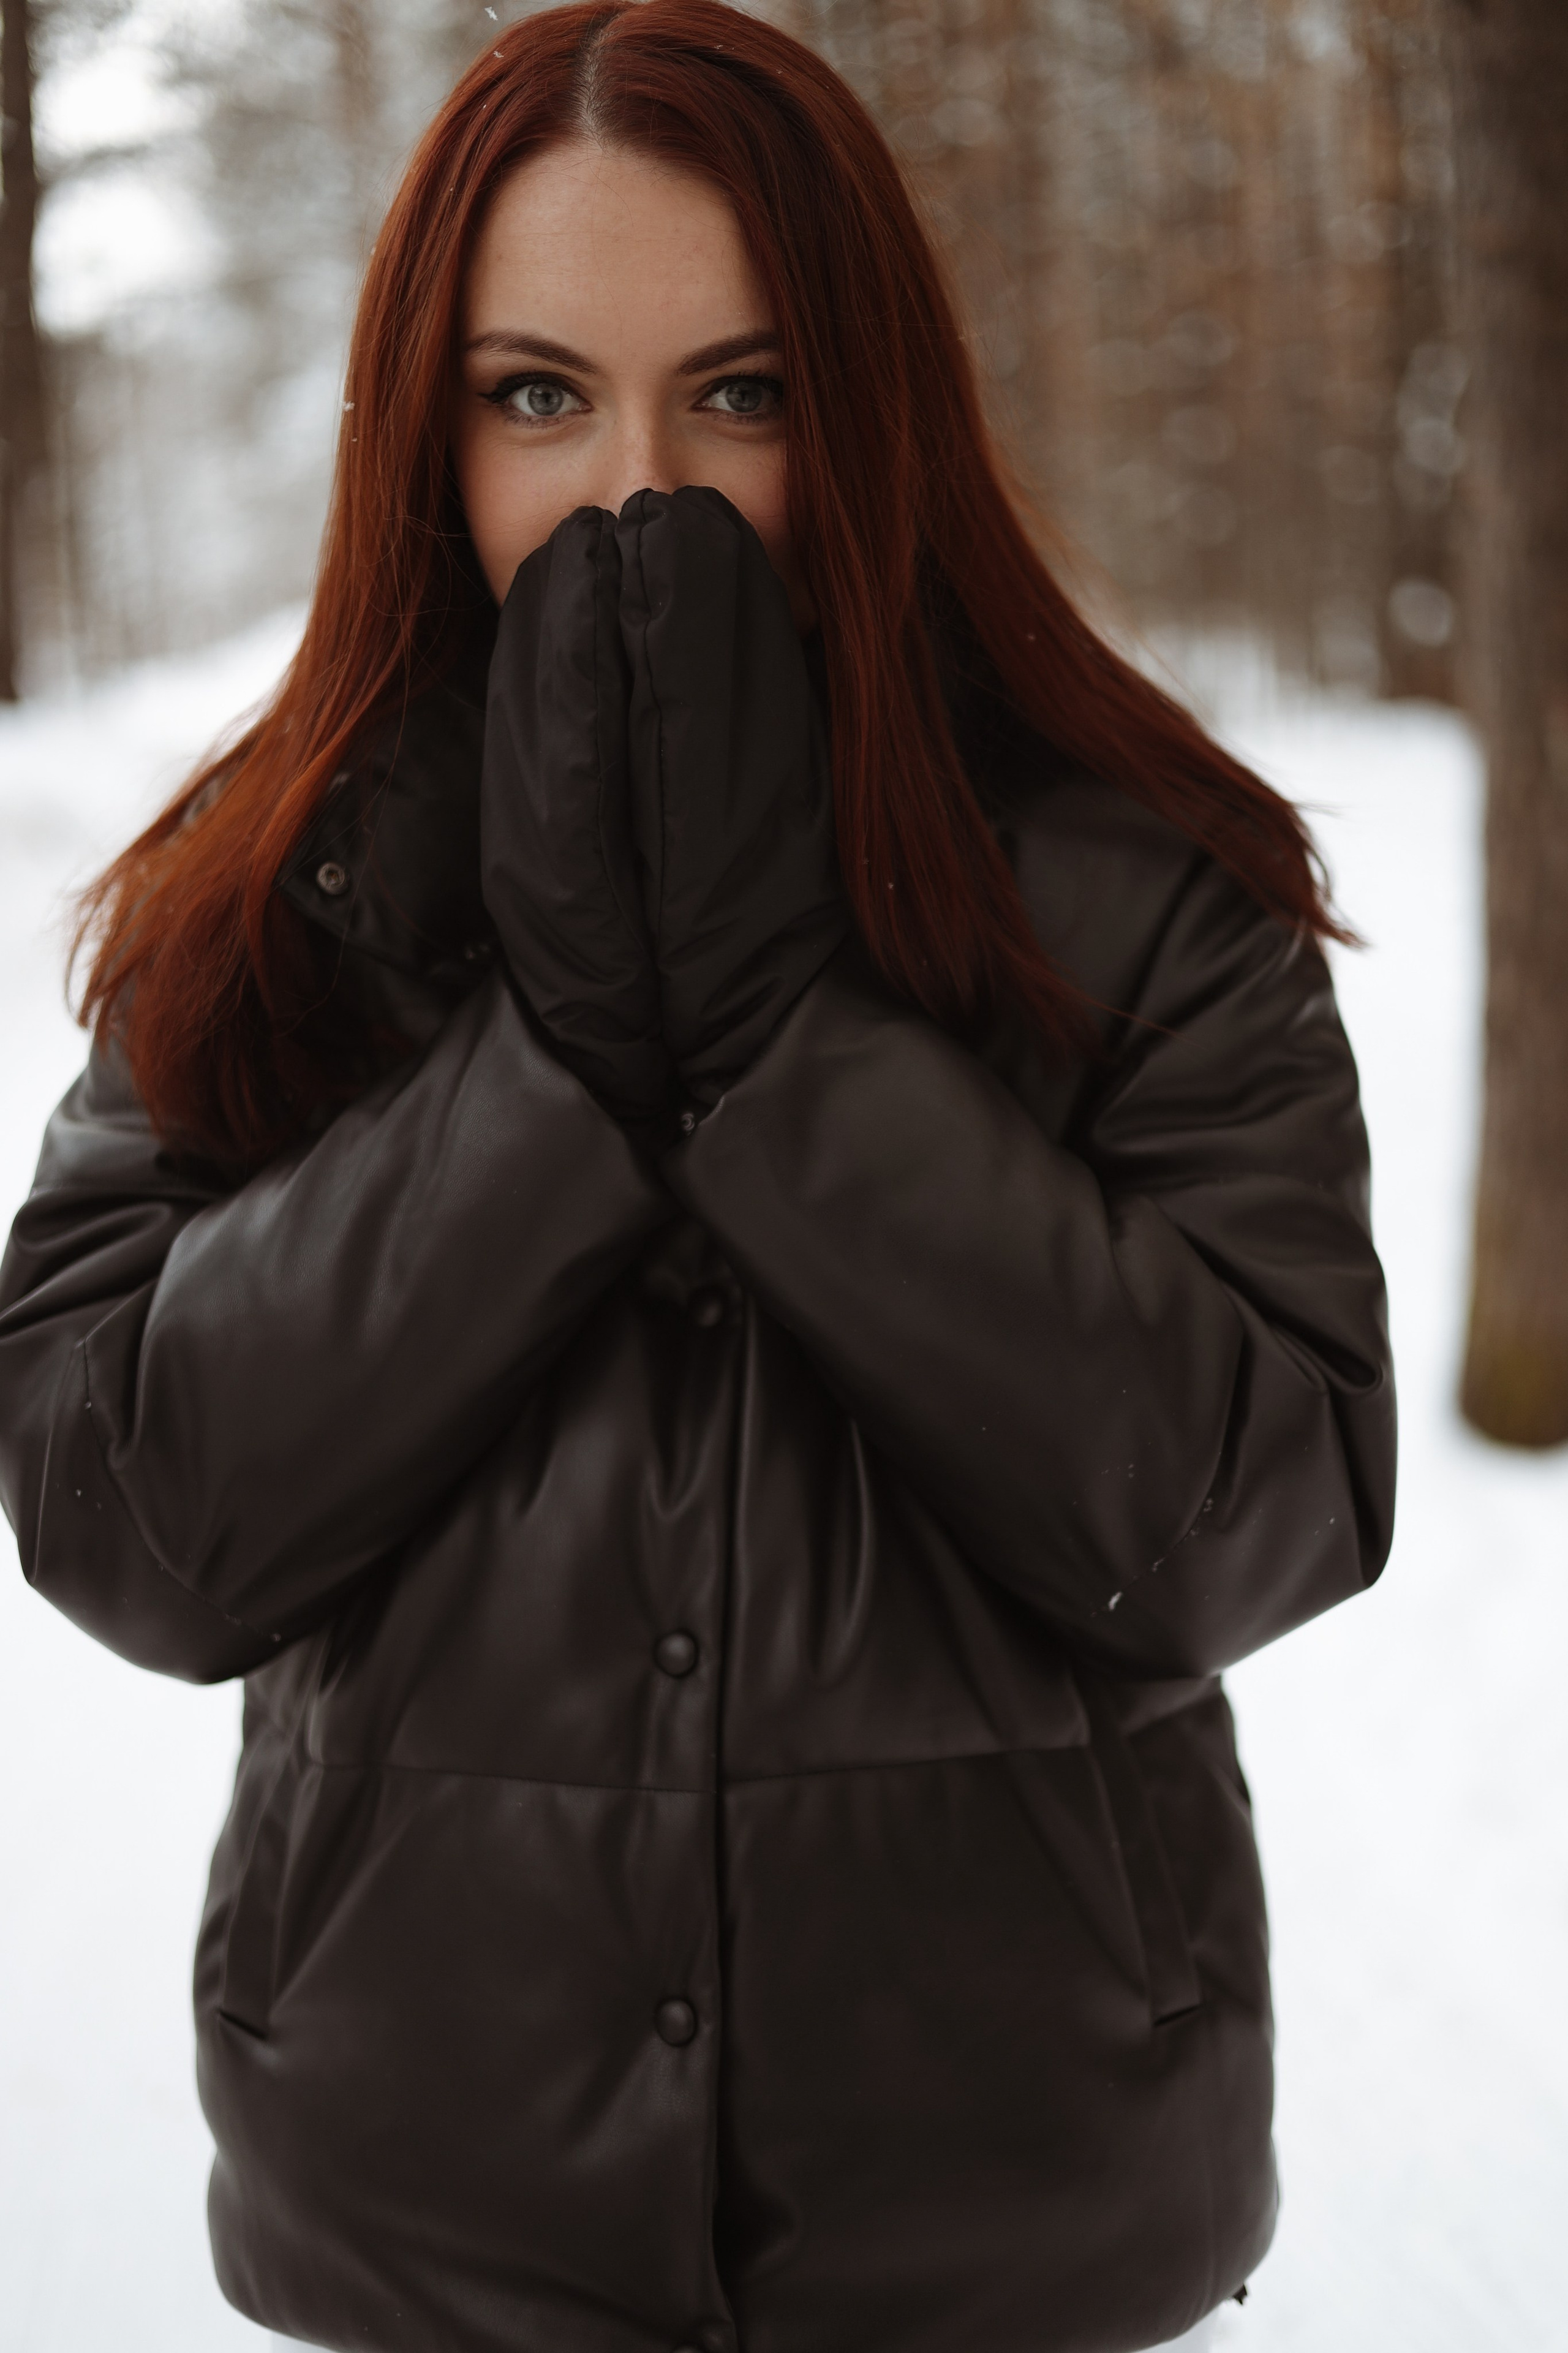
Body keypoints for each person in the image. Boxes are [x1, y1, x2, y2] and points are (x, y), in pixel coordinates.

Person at [0, 5, 1395, 2350]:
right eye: (536, 396)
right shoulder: (285, 891)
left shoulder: (1141, 883)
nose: (638, 492)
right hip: (424, 2221)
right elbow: (127, 1510)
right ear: (419, 431)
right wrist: (544, 1084)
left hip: (1017, 2226)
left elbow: (1261, 1505)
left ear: (874, 414)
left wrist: (787, 1061)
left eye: (740, 394)